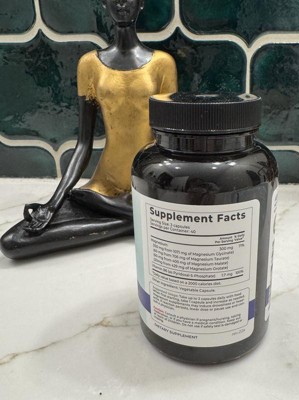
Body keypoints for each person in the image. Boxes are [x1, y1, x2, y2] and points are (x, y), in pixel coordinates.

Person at [1, 0, 178, 259]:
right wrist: (53, 203)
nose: (121, 4)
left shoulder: (162, 63)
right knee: (13, 242)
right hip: (102, 188)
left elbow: (169, 138)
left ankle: (132, 215)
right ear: (104, 4)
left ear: (141, 4)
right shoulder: (90, 64)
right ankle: (136, 220)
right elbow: (84, 143)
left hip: (146, 182)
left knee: (116, 204)